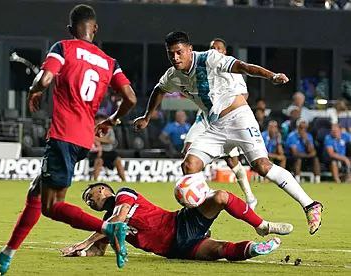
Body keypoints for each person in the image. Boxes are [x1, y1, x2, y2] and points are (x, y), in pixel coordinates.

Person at [0, 5, 137, 274]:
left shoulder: (63, 47)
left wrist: (34, 90)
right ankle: (5, 256)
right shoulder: (110, 62)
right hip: (83, 140)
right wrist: (112, 120)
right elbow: (131, 98)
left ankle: (109, 227)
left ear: (69, 29)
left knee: (52, 208)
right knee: (35, 192)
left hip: (63, 135)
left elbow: (46, 77)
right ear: (95, 29)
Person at [133, 31, 322, 235]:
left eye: (179, 52)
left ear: (189, 49)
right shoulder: (173, 75)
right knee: (189, 165)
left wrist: (271, 76)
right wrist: (146, 117)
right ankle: (201, 223)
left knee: (262, 166)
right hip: (215, 126)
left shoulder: (209, 58)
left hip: (239, 118)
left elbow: (243, 67)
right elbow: (159, 90)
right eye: (171, 54)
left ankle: (310, 205)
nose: (175, 58)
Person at [60, 182, 293, 261]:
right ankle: (255, 249)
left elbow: (119, 218)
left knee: (221, 196)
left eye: (90, 197)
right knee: (221, 250)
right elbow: (99, 252)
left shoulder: (124, 194)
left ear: (102, 190)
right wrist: (81, 253)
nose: (89, 203)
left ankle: (262, 226)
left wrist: (83, 241)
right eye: (87, 202)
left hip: (180, 224)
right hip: (176, 249)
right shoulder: (106, 226)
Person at [182, 37, 257, 209]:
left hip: (225, 117)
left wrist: (225, 104)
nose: (214, 49)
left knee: (232, 161)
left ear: (224, 51)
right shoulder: (202, 67)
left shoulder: (232, 71)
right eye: (212, 47)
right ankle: (199, 196)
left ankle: (250, 196)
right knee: (188, 151)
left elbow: (243, 95)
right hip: (204, 118)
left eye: (218, 47)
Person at [90, 114, 126, 181]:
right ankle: (94, 180)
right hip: (97, 152)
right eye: (97, 119)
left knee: (118, 160)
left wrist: (97, 138)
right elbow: (91, 139)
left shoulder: (109, 129)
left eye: (101, 119)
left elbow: (111, 140)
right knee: (99, 161)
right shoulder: (92, 128)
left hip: (109, 151)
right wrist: (103, 139)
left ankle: (124, 180)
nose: (99, 121)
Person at [285, 118, 321, 183]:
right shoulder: (292, 136)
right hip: (292, 159)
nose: (303, 130)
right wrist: (308, 155)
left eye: (305, 128)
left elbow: (312, 151)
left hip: (305, 157)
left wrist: (306, 140)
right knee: (298, 159)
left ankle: (317, 179)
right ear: (297, 127)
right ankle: (297, 179)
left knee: (315, 159)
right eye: (301, 128)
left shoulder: (309, 136)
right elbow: (294, 153)